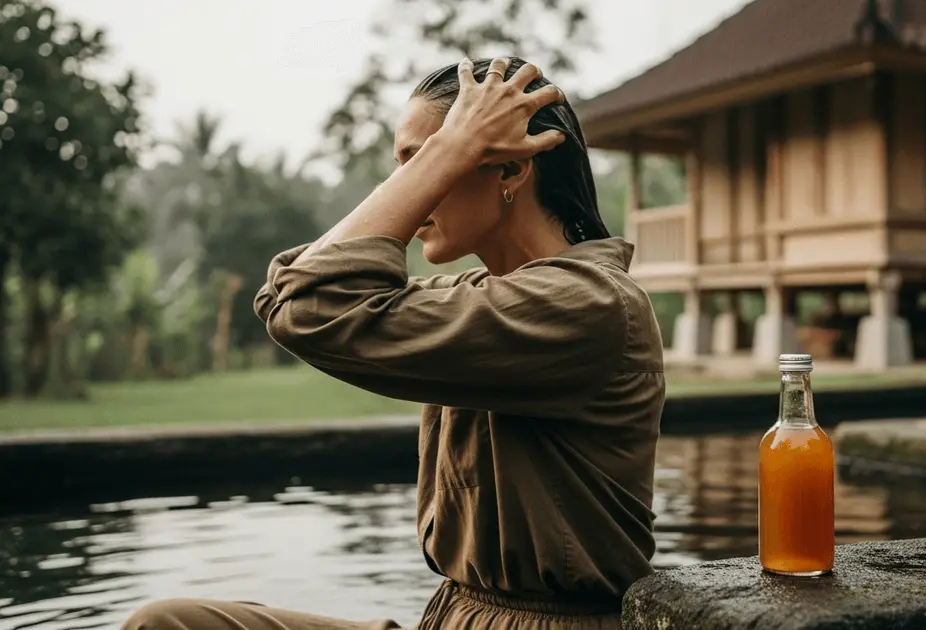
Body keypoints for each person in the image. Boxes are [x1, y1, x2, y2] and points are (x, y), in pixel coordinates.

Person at [122, 56, 665, 630]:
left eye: (430, 158)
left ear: (509, 170)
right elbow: (285, 295)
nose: (412, 185)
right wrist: (446, 151)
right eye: (410, 166)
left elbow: (312, 307)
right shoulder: (482, 295)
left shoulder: (586, 306)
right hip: (454, 615)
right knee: (169, 623)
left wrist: (450, 147)